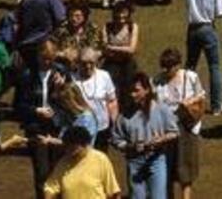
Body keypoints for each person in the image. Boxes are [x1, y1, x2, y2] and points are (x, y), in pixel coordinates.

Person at [110, 71, 177, 199]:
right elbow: (116, 139)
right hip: (135, 162)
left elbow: (174, 132)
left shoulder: (161, 109)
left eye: (136, 90)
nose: (132, 94)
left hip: (156, 160)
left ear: (146, 90)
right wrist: (130, 146)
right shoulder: (125, 115)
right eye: (131, 91)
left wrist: (161, 139)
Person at [44, 121, 123, 199]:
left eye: (74, 148)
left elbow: (113, 191)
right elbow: (51, 187)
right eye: (67, 147)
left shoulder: (100, 159)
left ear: (85, 144)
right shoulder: (63, 162)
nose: (69, 151)